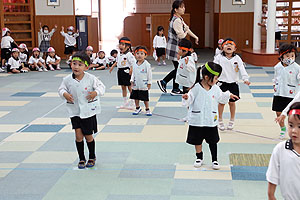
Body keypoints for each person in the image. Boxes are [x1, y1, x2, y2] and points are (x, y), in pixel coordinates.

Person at [182, 62, 238, 170]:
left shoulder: (216, 88)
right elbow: (190, 98)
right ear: (207, 77)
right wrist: (186, 97)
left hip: (210, 121)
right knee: (197, 140)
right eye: (216, 79)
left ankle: (214, 160)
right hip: (197, 120)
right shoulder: (196, 88)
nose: (217, 81)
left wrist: (228, 95)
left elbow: (221, 97)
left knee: (213, 141)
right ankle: (199, 157)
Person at [58, 51, 105, 169]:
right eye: (74, 63)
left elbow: (101, 87)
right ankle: (81, 158)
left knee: (88, 136)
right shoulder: (67, 80)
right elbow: (61, 89)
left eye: (80, 64)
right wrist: (64, 94)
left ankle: (92, 156)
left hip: (88, 111)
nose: (76, 67)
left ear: (86, 67)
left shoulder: (91, 78)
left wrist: (96, 92)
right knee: (78, 136)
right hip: (74, 111)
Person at [157, 0, 199, 96]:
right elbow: (181, 35)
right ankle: (165, 82)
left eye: (184, 6)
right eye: (181, 7)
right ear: (176, 9)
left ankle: (174, 87)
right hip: (175, 48)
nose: (184, 8)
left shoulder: (179, 19)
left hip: (175, 47)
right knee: (179, 68)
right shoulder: (176, 20)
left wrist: (195, 37)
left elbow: (187, 29)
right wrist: (185, 32)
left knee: (178, 67)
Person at [213, 38, 250, 131]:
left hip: (233, 83)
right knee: (221, 103)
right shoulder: (219, 58)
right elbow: (215, 68)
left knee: (232, 103)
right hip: (222, 83)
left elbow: (242, 69)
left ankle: (232, 120)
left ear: (235, 49)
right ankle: (220, 120)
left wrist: (245, 78)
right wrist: (213, 78)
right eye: (226, 44)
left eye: (231, 45)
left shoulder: (237, 58)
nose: (228, 46)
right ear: (222, 48)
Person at [267, 102, 300, 200]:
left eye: (299, 126)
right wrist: (271, 195)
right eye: (291, 125)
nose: (294, 130)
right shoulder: (281, 149)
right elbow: (272, 177)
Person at [272, 43, 300, 139]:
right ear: (281, 56)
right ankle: (283, 129)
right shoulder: (277, 67)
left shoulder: (297, 68)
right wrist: (274, 85)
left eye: (292, 56)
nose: (290, 58)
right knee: (278, 114)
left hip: (291, 95)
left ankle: (292, 130)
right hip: (279, 93)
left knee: (292, 116)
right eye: (287, 56)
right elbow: (275, 78)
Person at [109, 37, 135, 108]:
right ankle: (125, 102)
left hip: (126, 71)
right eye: (120, 44)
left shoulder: (129, 55)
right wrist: (112, 67)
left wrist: (131, 70)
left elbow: (133, 63)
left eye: (123, 44)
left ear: (127, 46)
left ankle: (133, 102)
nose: (120, 46)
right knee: (123, 87)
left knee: (130, 87)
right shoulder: (119, 54)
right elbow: (117, 62)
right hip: (120, 71)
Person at [130, 46, 152, 116]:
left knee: (145, 98)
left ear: (145, 55)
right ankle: (137, 108)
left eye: (142, 54)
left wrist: (149, 83)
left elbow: (149, 74)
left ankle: (147, 109)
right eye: (138, 53)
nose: (139, 55)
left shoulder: (147, 65)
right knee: (136, 97)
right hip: (136, 84)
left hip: (143, 84)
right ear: (135, 55)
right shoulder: (134, 64)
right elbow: (133, 73)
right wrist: (132, 80)